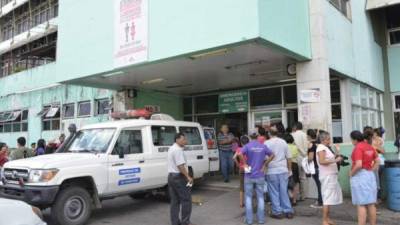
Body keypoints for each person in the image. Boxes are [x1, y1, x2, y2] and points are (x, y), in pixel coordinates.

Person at [240, 130, 273, 225]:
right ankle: (261, 220)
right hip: (260, 175)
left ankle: (249, 220)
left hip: (249, 175)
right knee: (260, 197)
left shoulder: (247, 146)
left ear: (249, 136)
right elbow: (272, 154)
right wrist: (264, 165)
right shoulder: (262, 146)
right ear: (258, 136)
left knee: (248, 198)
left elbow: (239, 154)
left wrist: (245, 164)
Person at [349, 130, 379, 225]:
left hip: (360, 176)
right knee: (371, 204)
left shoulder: (358, 148)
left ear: (354, 140)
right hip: (370, 175)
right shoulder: (369, 147)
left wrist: (351, 174)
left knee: (361, 204)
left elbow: (358, 165)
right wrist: (371, 170)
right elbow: (377, 161)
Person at [265, 127, 294, 219]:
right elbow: (289, 157)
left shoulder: (266, 143)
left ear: (269, 134)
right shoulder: (283, 142)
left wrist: (264, 168)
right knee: (283, 191)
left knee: (274, 192)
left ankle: (277, 212)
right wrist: (289, 170)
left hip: (271, 170)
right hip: (283, 170)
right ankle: (288, 211)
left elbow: (264, 158)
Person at [316, 132, 343, 225]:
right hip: (327, 176)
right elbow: (322, 161)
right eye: (328, 139)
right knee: (327, 198)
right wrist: (336, 160)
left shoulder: (325, 148)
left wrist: (337, 152)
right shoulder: (321, 148)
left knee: (329, 198)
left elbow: (331, 159)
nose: (329, 141)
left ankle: (327, 219)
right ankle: (324, 220)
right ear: (324, 140)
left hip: (331, 175)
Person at [167, 133, 194, 225]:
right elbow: (180, 166)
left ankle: (175, 222)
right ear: (177, 140)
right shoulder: (177, 150)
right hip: (179, 177)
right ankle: (185, 222)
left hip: (171, 176)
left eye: (185, 139)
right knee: (186, 200)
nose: (185, 141)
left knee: (175, 201)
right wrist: (188, 176)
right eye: (183, 139)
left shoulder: (172, 148)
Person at [291, 122, 308, 201]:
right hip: (304, 157)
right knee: (302, 177)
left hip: (295, 157)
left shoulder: (293, 135)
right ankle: (303, 195)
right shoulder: (305, 135)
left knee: (295, 178)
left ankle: (295, 196)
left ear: (295, 127)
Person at [307, 129, 323, 208]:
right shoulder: (319, 144)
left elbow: (310, 158)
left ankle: (320, 202)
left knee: (319, 185)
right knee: (321, 184)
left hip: (314, 167)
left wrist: (307, 164)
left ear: (309, 136)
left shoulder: (311, 144)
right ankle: (321, 200)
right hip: (321, 166)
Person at [233, 135, 250, 208]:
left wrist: (238, 165)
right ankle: (248, 202)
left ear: (241, 142)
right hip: (248, 167)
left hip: (241, 168)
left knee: (241, 186)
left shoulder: (239, 149)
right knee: (248, 185)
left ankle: (241, 203)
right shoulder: (249, 148)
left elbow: (233, 158)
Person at [284, 134, 300, 206]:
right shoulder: (295, 147)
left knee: (286, 182)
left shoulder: (284, 147)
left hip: (286, 164)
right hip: (294, 164)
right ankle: (294, 200)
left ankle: (288, 198)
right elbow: (296, 155)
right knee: (296, 182)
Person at [372, 128, 385, 201]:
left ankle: (377, 199)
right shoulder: (373, 141)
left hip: (379, 163)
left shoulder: (378, 140)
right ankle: (377, 198)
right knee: (377, 181)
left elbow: (383, 151)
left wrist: (376, 146)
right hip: (378, 163)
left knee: (376, 182)